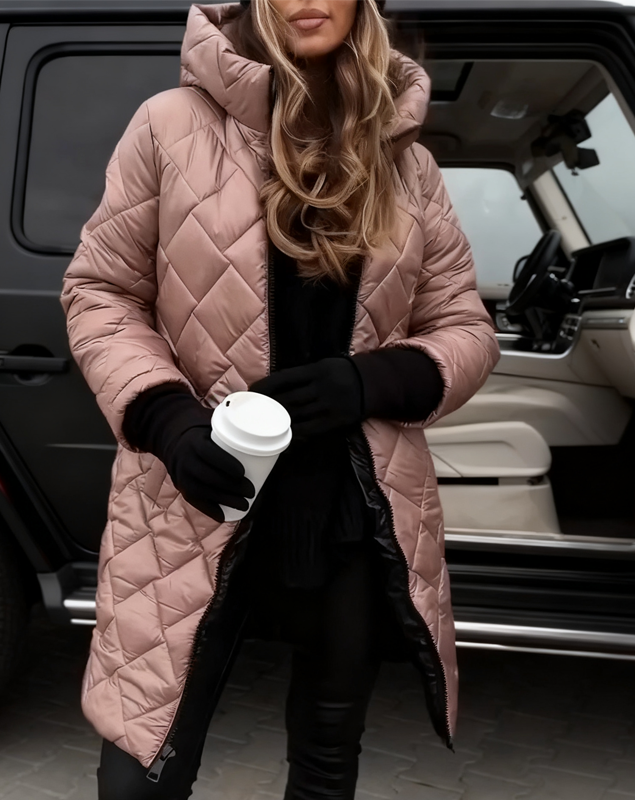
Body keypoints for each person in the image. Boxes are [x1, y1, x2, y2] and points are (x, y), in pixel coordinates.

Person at [60, 1, 501, 797]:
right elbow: (100, 293)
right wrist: (169, 421)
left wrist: (369, 381)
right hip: (194, 504)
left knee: (328, 762)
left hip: (348, 516)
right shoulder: (169, 125)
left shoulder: (408, 162)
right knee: (140, 776)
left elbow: (465, 327)